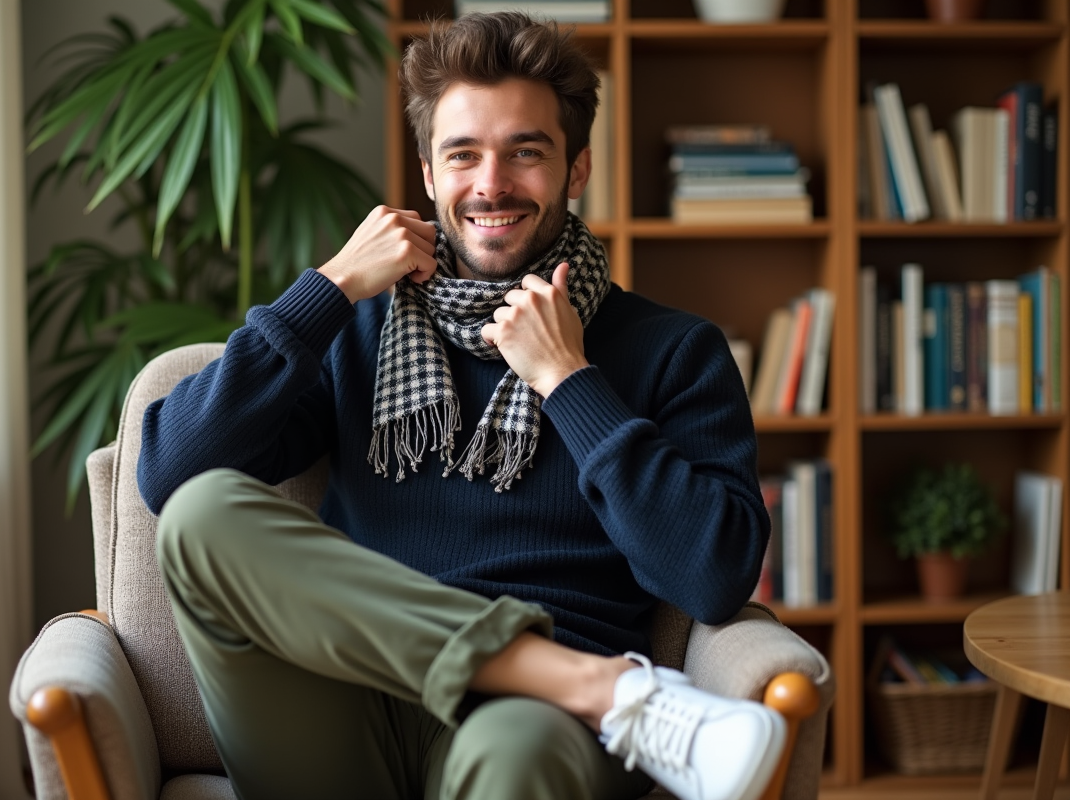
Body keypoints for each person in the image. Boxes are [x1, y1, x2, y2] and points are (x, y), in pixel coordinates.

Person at [138, 11, 783, 800]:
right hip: (343, 706)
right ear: (427, 173)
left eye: (526, 152)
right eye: (463, 154)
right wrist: (329, 289)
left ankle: (558, 687)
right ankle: (596, 686)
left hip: (529, 725)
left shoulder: (673, 351)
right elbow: (171, 472)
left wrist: (570, 382)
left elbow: (715, 575)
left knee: (520, 758)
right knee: (204, 511)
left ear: (576, 170)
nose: (491, 184)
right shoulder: (359, 329)